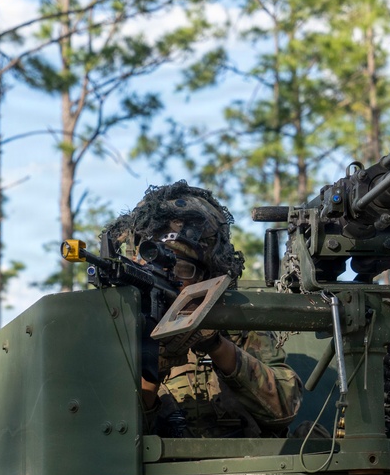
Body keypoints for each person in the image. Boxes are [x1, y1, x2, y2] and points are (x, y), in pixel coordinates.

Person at [102, 181, 303, 438]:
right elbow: (109, 432)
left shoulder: (235, 321)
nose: (169, 277)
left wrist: (216, 345)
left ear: (208, 274)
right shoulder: (122, 328)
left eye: (181, 269)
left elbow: (284, 409)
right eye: (151, 265)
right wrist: (151, 371)